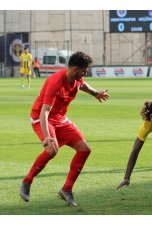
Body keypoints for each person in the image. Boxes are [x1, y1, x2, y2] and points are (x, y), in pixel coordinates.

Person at [20, 51, 109, 207]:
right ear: (75, 69)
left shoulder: (77, 78)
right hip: (42, 119)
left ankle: (66, 189)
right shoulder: (55, 82)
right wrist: (47, 136)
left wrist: (95, 93)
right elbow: (44, 112)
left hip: (61, 119)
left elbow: (83, 85)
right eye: (84, 70)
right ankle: (27, 181)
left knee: (84, 149)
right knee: (52, 150)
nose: (85, 73)